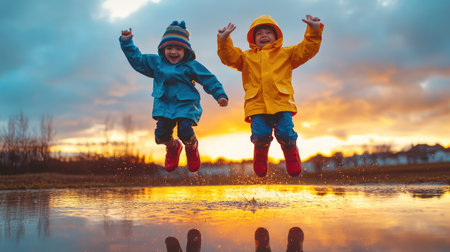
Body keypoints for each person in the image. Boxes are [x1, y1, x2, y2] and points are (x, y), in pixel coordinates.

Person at [217, 15, 323, 177]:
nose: (264, 35)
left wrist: (314, 30)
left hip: (282, 102)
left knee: (286, 133)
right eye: (259, 33)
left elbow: (307, 49)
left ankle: (292, 156)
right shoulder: (246, 57)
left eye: (268, 32)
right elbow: (229, 57)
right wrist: (224, 41)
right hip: (257, 105)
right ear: (253, 38)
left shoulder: (286, 54)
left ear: (276, 36)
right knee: (260, 135)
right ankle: (260, 159)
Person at [120, 21, 228, 173]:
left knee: (184, 130)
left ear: (185, 51)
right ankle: (173, 147)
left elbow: (208, 78)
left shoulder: (191, 65)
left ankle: (192, 148)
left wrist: (220, 95)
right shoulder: (156, 63)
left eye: (178, 49)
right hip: (164, 105)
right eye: (169, 48)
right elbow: (138, 60)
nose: (173, 52)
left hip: (186, 105)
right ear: (163, 49)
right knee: (161, 136)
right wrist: (127, 42)